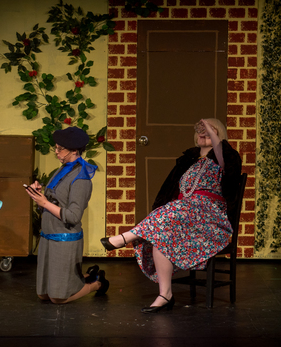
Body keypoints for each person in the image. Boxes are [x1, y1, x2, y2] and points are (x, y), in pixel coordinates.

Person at [100, 118, 242, 313]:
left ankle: (125, 237)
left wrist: (209, 127)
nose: (204, 132)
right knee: (161, 233)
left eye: (210, 130)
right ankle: (165, 294)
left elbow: (221, 153)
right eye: (200, 130)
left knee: (172, 210)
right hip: (184, 214)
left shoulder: (225, 158)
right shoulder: (189, 160)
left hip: (210, 217)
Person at [25, 126, 109, 304]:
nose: (56, 152)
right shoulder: (62, 170)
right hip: (48, 236)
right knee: (43, 295)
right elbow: (54, 202)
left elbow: (73, 216)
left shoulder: (81, 178)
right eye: (56, 148)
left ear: (74, 150)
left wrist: (44, 203)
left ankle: (97, 283)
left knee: (58, 298)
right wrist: (39, 195)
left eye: (60, 149)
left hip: (64, 240)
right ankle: (86, 276)